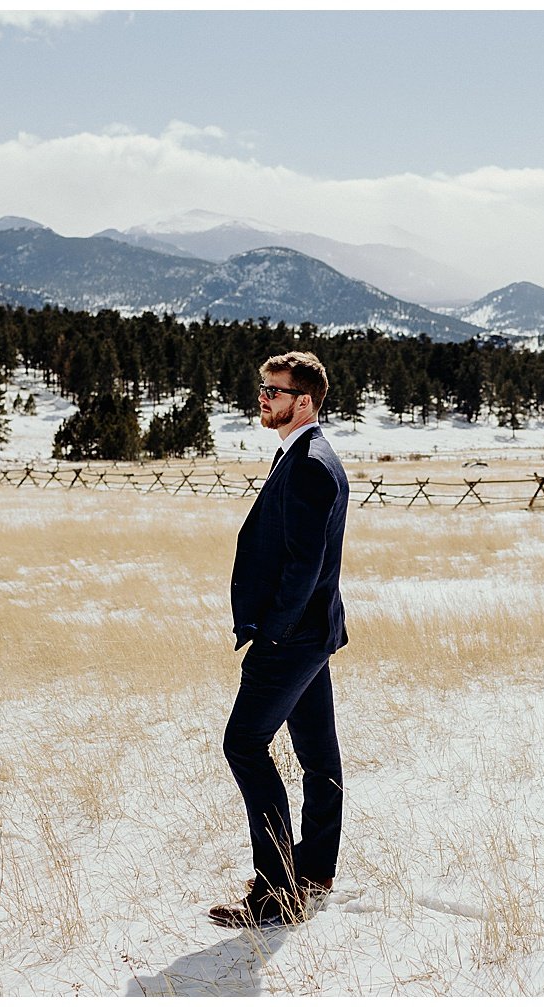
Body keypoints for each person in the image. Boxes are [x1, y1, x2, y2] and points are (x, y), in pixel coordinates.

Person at [208, 351, 350, 928]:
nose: (263, 397)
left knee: (243, 745)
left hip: (291, 640)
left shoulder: (312, 463)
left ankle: (276, 893)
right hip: (310, 636)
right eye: (262, 387)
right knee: (317, 755)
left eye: (274, 390)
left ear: (305, 400)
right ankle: (314, 870)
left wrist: (271, 636)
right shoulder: (301, 456)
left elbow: (304, 568)